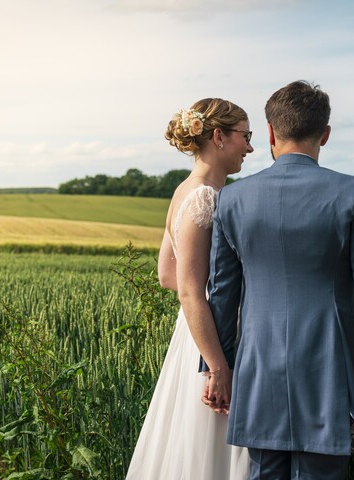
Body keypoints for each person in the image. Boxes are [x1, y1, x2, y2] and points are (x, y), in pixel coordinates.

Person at [203, 81, 354, 479]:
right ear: (326, 134)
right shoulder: (353, 193)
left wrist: (216, 370)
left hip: (257, 372)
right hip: (327, 371)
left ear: (269, 132)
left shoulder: (232, 198)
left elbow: (222, 295)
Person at [125, 98, 253, 479]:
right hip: (212, 339)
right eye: (245, 137)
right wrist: (217, 366)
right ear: (218, 137)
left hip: (191, 335)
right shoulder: (206, 197)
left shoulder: (184, 190)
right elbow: (189, 290)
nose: (249, 147)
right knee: (215, 445)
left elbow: (167, 274)